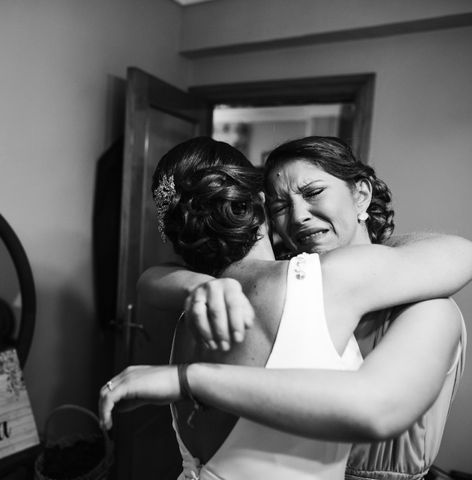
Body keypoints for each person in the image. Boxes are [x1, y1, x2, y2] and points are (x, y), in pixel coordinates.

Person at [99, 137, 469, 480]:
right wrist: (196, 284)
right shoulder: (249, 288)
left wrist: (187, 375)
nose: (298, 217)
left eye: (314, 192)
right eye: (279, 205)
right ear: (259, 206)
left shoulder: (422, 305)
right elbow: (151, 281)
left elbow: (379, 408)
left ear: (361, 195)